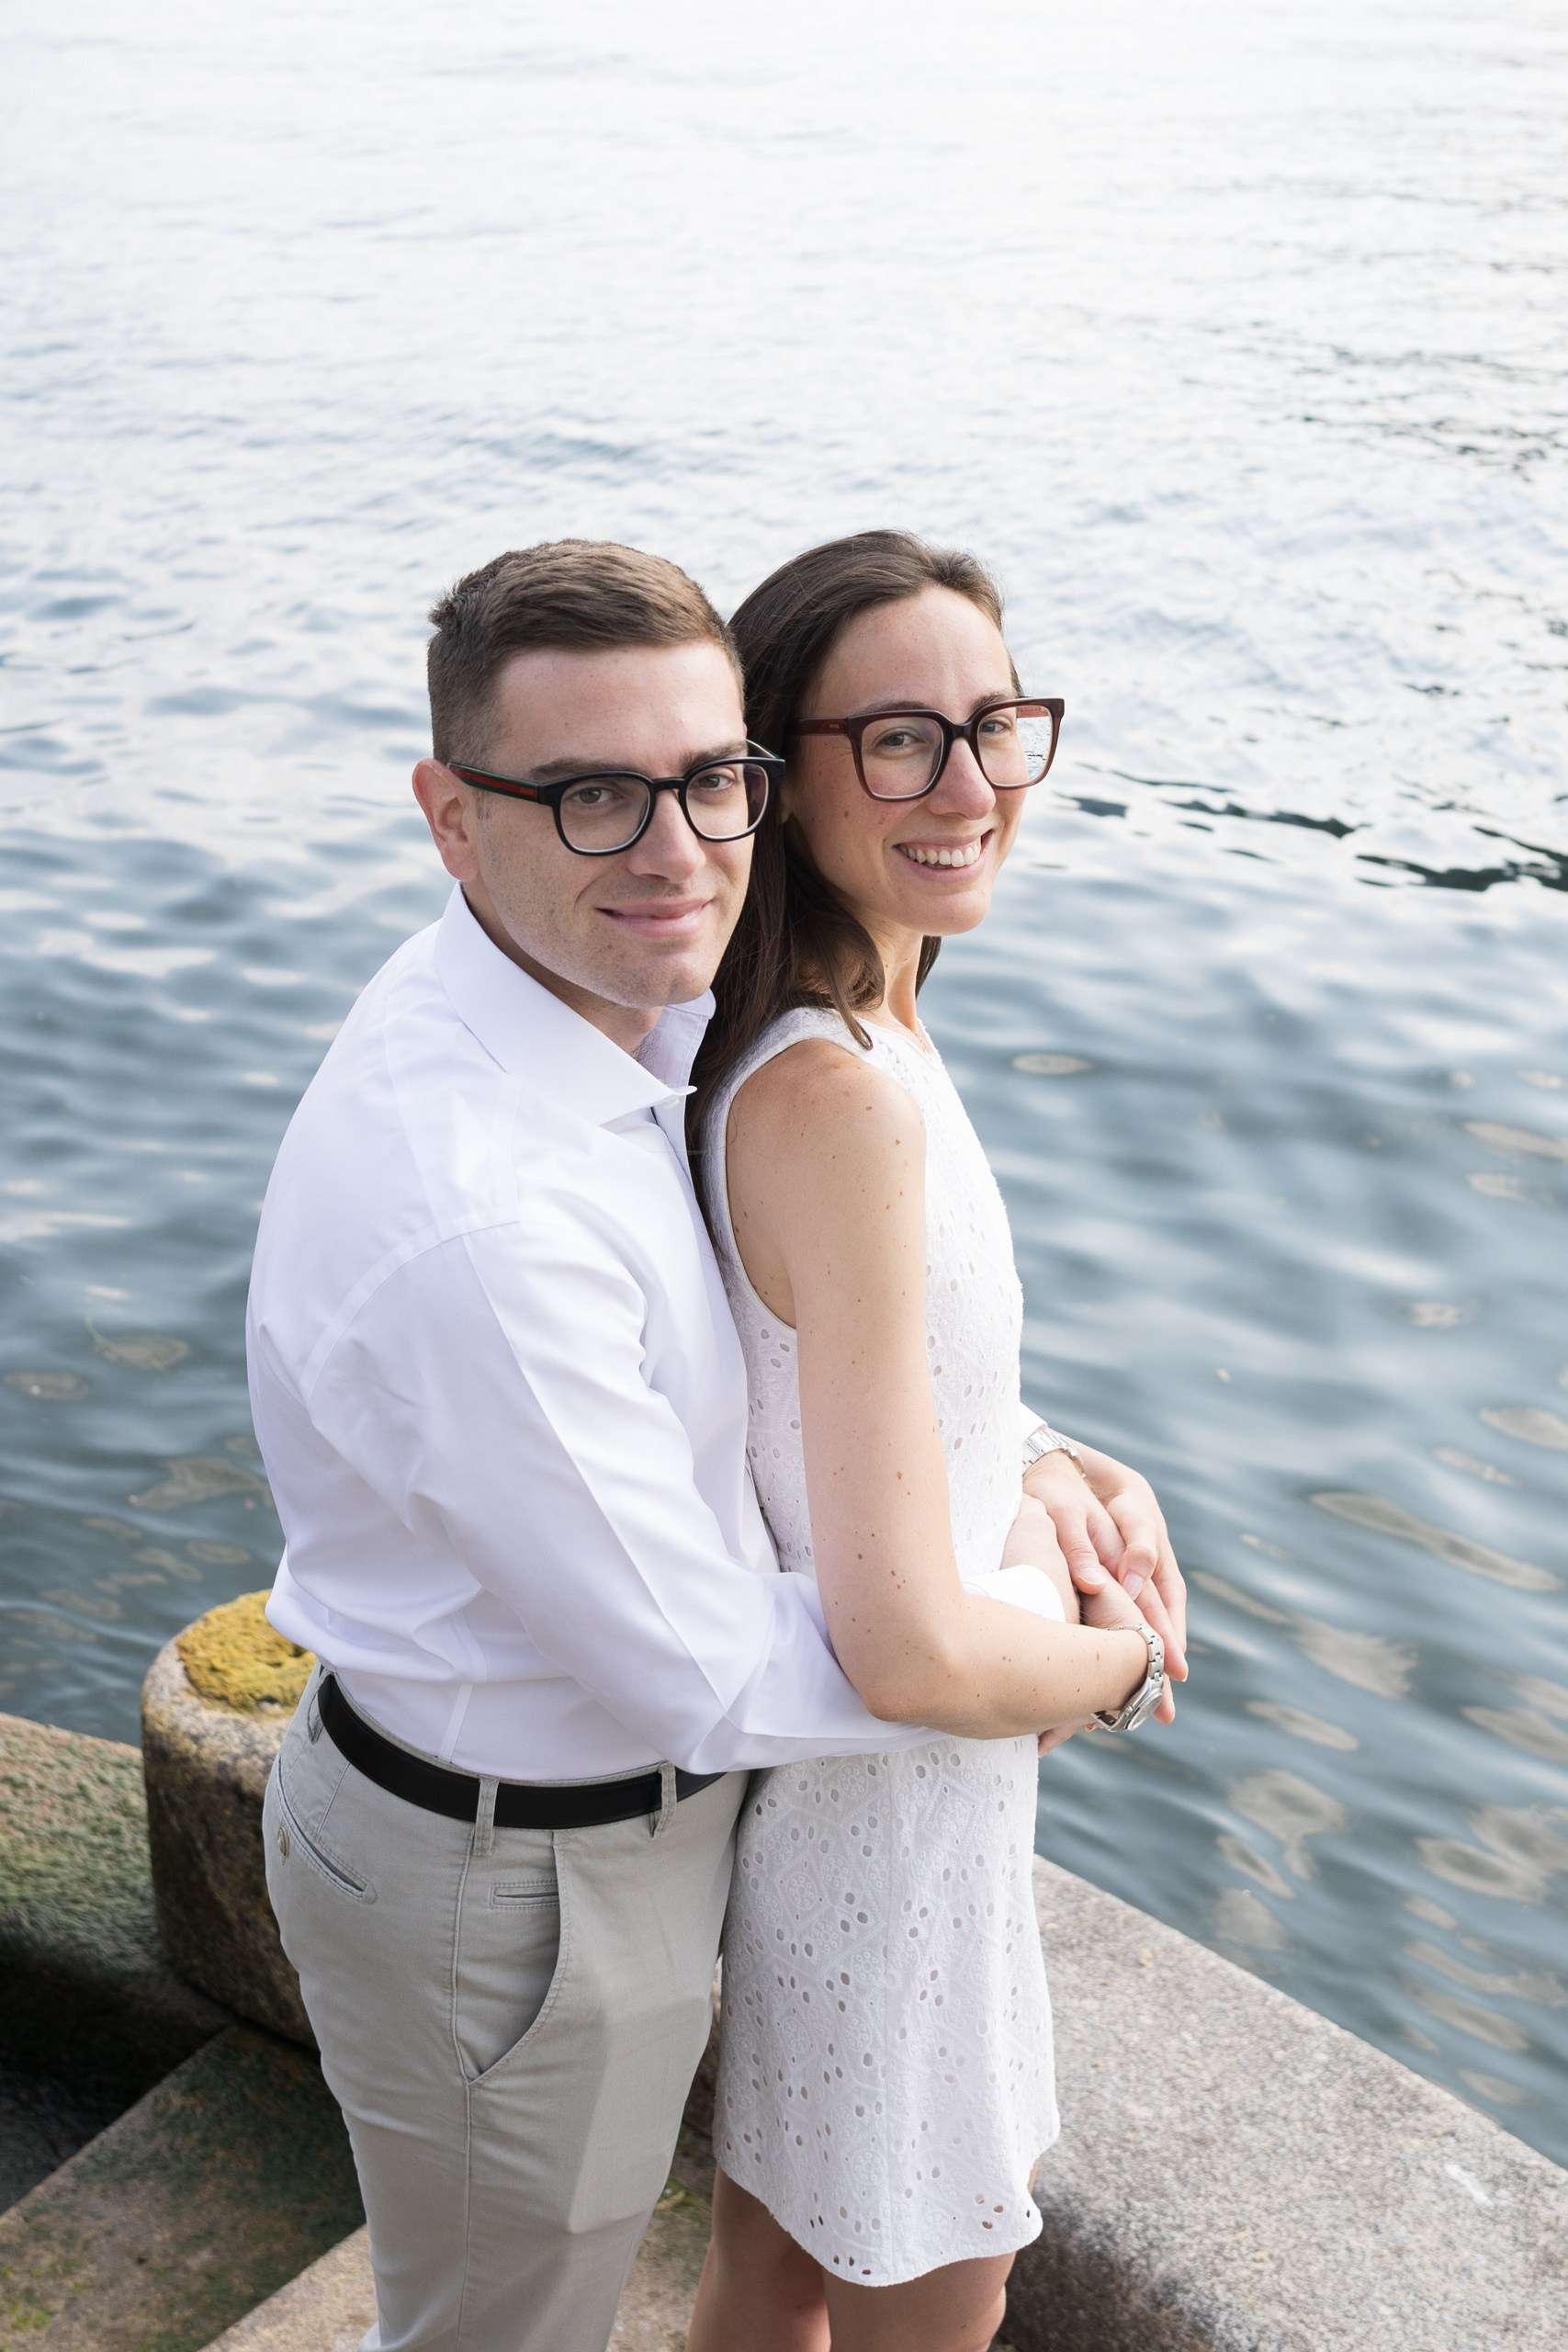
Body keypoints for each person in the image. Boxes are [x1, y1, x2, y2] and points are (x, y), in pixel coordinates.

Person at [246, 538, 1182, 2352]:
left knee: (718, 2279)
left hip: (618, 1825)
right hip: (509, 1882)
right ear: (452, 817)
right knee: (499, 2332)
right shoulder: (484, 1218)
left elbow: (815, 1348)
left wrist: (1035, 1462)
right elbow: (734, 1670)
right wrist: (1096, 1651)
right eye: (592, 793)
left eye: (705, 777)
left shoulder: (632, 992)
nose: (673, 847)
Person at [683, 530, 1186, 2352]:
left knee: (764, 2279)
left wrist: (1055, 1466)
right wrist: (1121, 1658)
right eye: (898, 739)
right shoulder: (835, 1094)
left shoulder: (851, 1026)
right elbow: (901, 1647)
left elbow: (865, 1374)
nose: (970, 786)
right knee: (924, 2301)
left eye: (994, 724)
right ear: (776, 767)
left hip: (841, 1823)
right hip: (888, 1831)